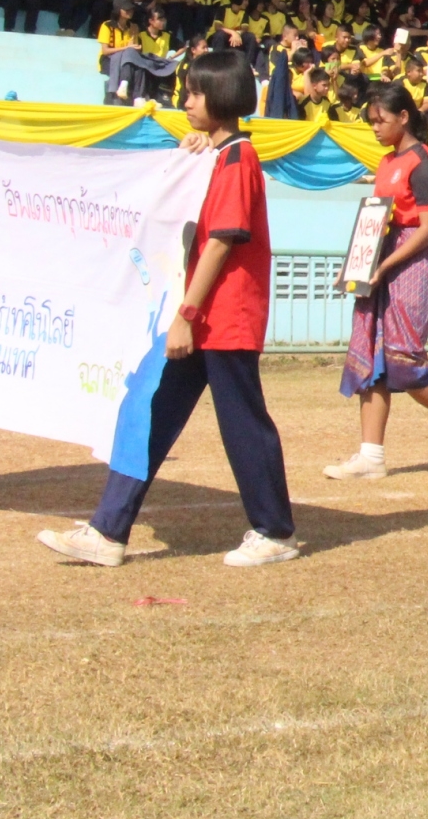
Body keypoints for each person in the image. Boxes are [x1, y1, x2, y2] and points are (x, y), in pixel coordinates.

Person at [38, 52, 301, 568]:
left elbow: (222, 242)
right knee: (150, 415)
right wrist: (191, 155)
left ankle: (276, 531)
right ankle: (108, 530)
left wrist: (186, 313)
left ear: (222, 97)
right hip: (200, 316)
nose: (187, 102)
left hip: (223, 317)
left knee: (243, 424)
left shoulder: (239, 159)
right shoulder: (216, 156)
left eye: (197, 93)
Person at [326, 84, 428, 481]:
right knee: (371, 354)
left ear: (403, 117)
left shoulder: (424, 164)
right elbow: (375, 219)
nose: (374, 128)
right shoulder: (386, 162)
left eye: (380, 120)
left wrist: (384, 265)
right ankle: (371, 455)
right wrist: (356, 264)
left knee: (404, 358)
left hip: (413, 264)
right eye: (371, 121)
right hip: (381, 261)